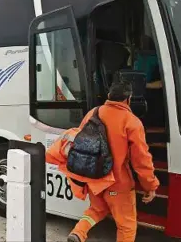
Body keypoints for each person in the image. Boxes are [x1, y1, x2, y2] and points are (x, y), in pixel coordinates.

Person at [46, 81, 159, 242]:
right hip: (117, 184)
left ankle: (78, 232)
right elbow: (141, 160)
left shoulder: (93, 112)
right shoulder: (132, 122)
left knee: (97, 209)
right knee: (126, 225)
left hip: (95, 179)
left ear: (109, 96)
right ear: (129, 98)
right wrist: (150, 185)